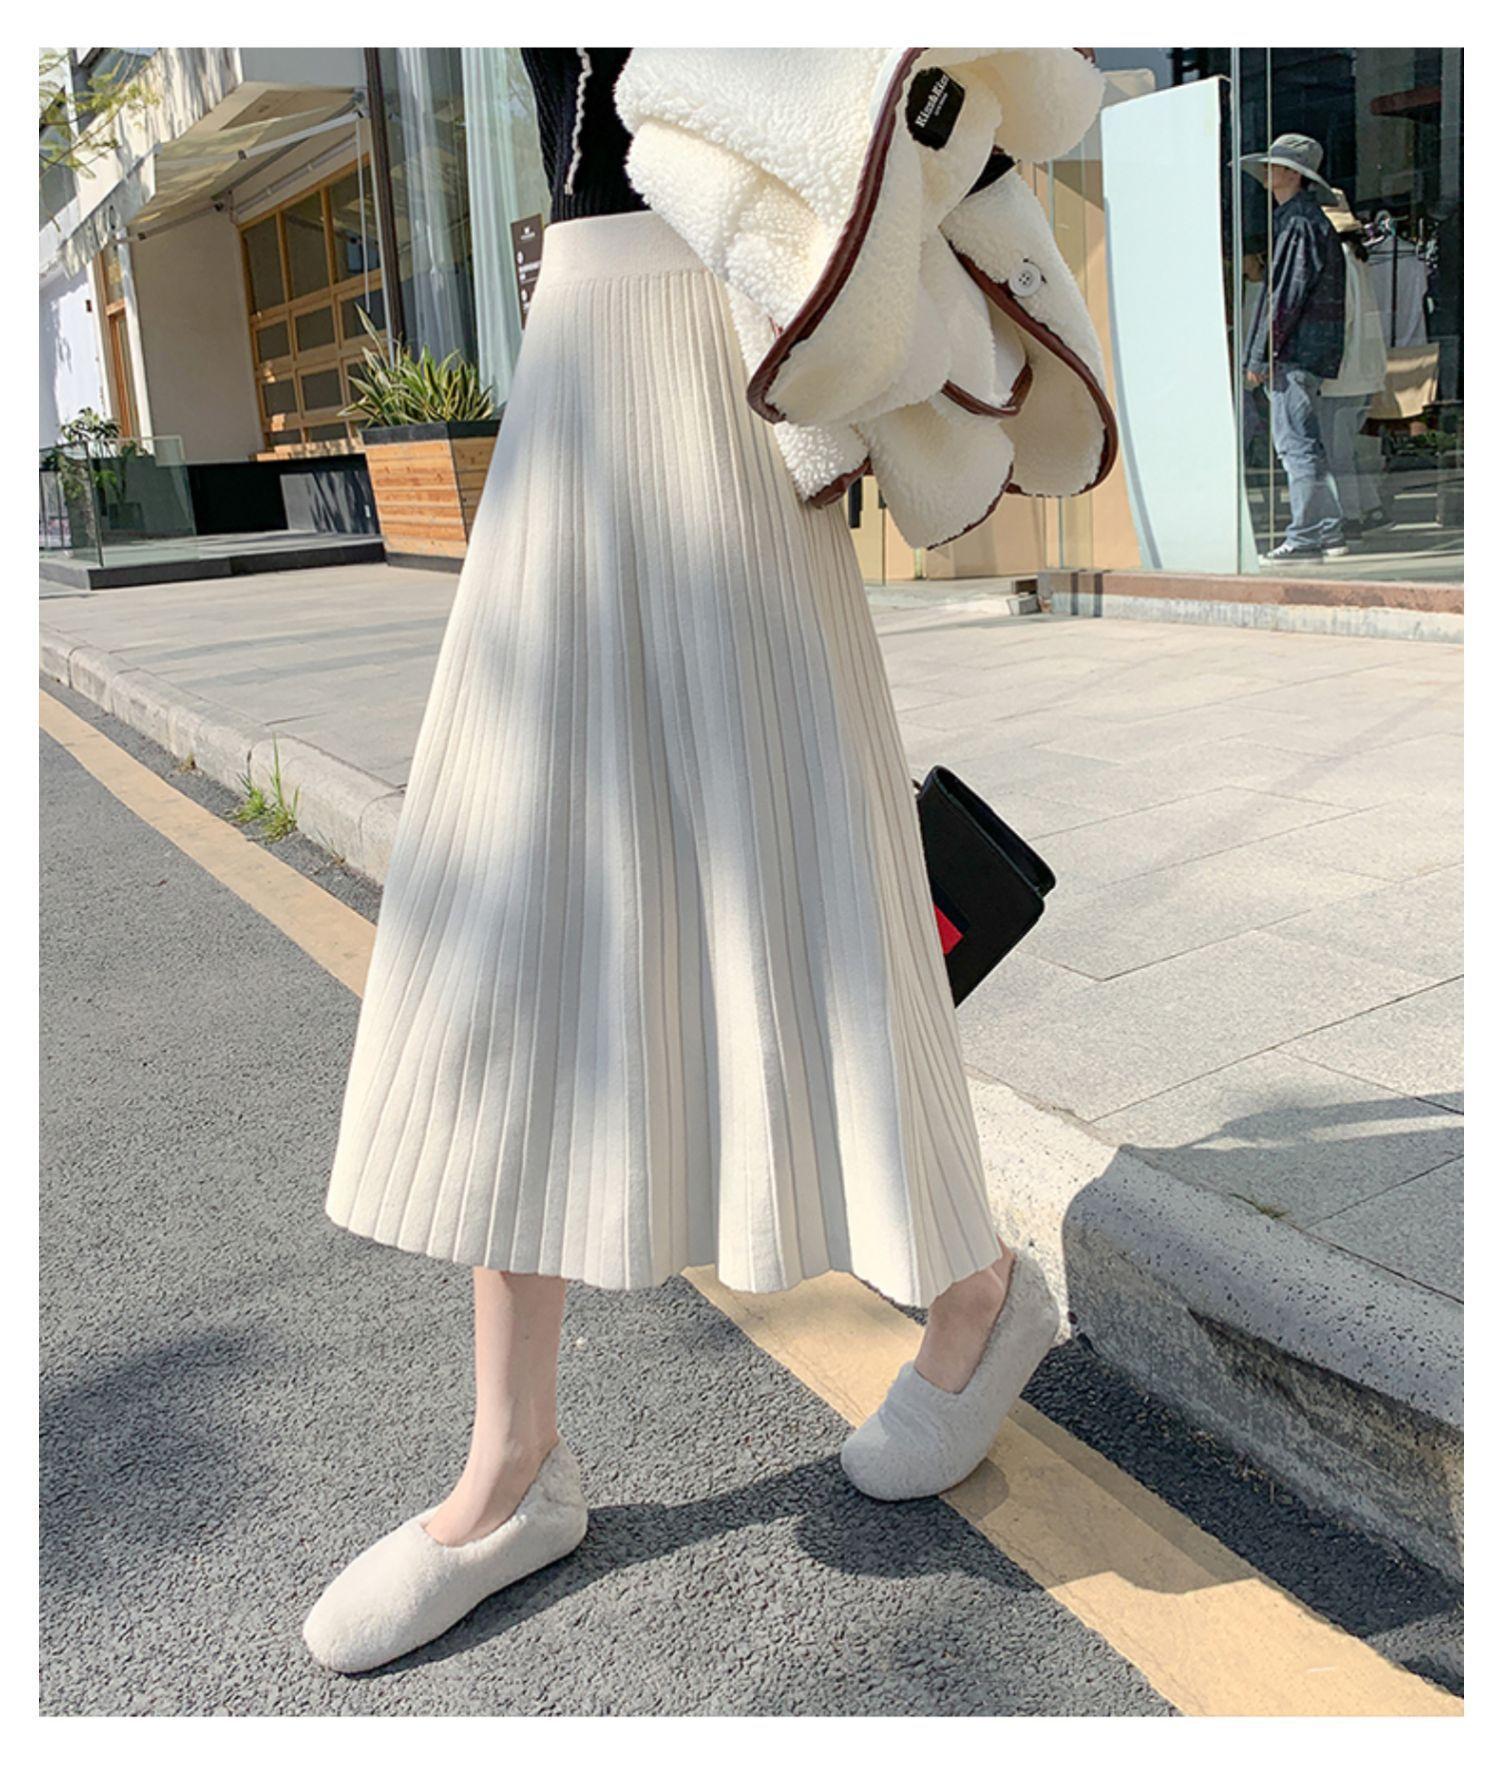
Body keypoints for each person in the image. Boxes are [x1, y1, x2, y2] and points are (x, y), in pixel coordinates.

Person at [299, 48, 1063, 1676]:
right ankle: (511, 1459)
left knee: (811, 860)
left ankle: (975, 1292)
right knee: (515, 883)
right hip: (580, 338)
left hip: (733, 333)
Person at [1240, 133, 1349, 564]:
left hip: (1295, 352)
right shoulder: (1302, 219)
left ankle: (1306, 536)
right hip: (1302, 351)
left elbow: (1285, 296)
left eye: (1276, 166)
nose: (1268, 172)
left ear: (1292, 174)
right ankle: (1325, 530)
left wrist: (1260, 355)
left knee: (1296, 447)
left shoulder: (1299, 222)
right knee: (1306, 445)